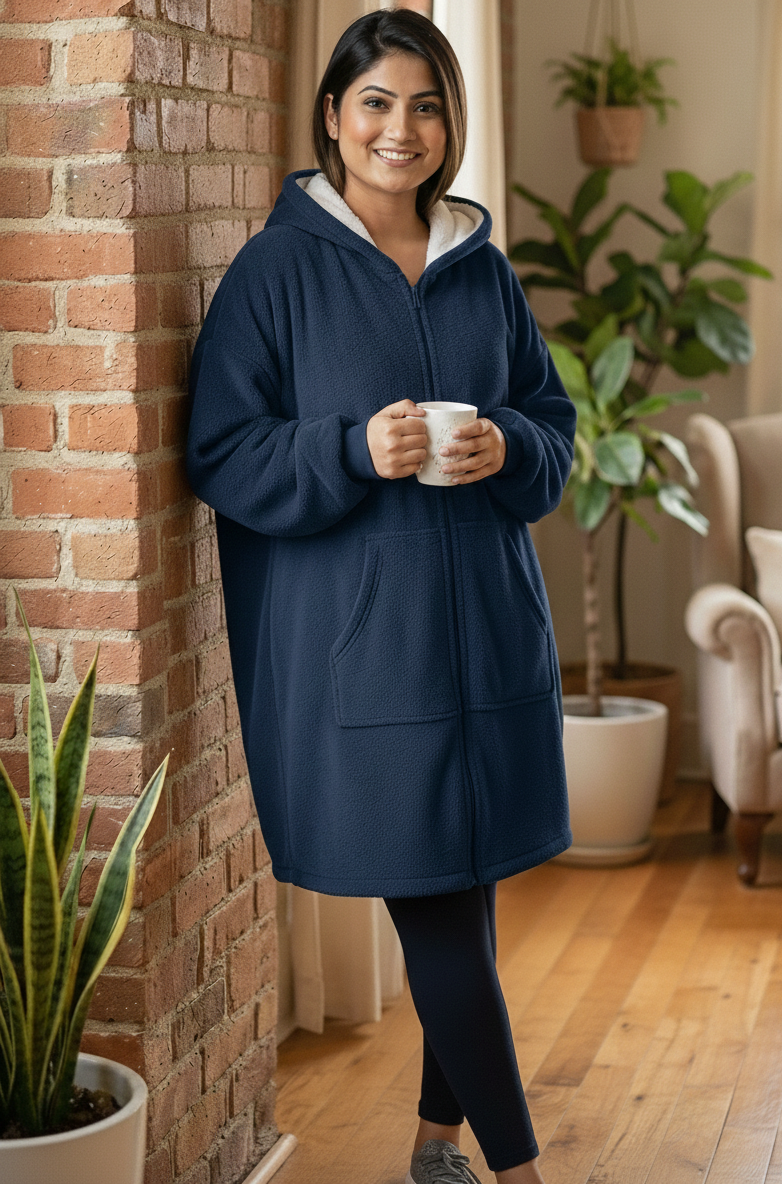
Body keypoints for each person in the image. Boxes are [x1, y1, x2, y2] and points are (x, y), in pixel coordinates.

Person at [186, 9, 576, 1183]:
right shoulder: (275, 272)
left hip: (492, 644)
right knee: (443, 918)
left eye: (422, 105)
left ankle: (434, 1142)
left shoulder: (480, 266)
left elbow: (553, 430)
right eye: (373, 103)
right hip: (368, 666)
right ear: (330, 118)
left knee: (466, 897)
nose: (397, 129)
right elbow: (221, 452)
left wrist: (504, 445)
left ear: (446, 124)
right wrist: (352, 448)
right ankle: (519, 1168)